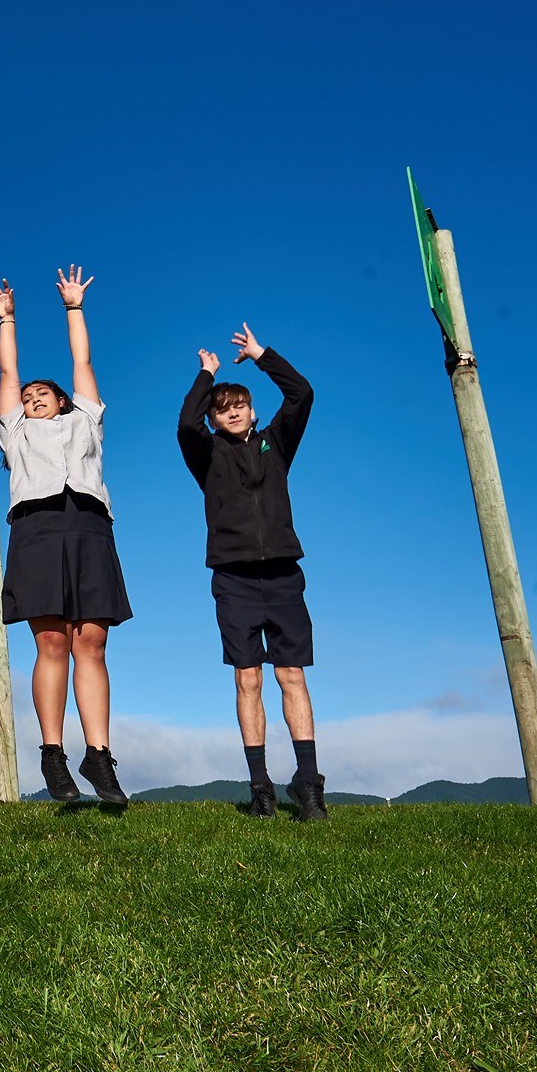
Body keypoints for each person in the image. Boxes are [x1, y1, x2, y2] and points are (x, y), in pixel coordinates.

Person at [0, 266, 133, 807]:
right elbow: (6, 371)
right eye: (27, 396)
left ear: (63, 401)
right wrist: (7, 320)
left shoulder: (86, 422)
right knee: (51, 641)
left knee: (91, 642)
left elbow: (83, 363)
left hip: (90, 525)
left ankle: (99, 755)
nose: (33, 397)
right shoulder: (16, 433)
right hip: (38, 527)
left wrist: (74, 308)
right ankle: (53, 754)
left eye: (42, 392)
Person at [176, 324, 325, 820]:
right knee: (248, 681)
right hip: (233, 581)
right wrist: (207, 374)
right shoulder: (207, 454)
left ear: (253, 410)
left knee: (291, 676)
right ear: (215, 420)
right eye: (222, 408)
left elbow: (301, 392)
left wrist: (262, 355)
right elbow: (184, 424)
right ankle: (260, 788)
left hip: (284, 576)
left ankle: (309, 787)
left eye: (240, 403)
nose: (232, 410)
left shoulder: (277, 444)